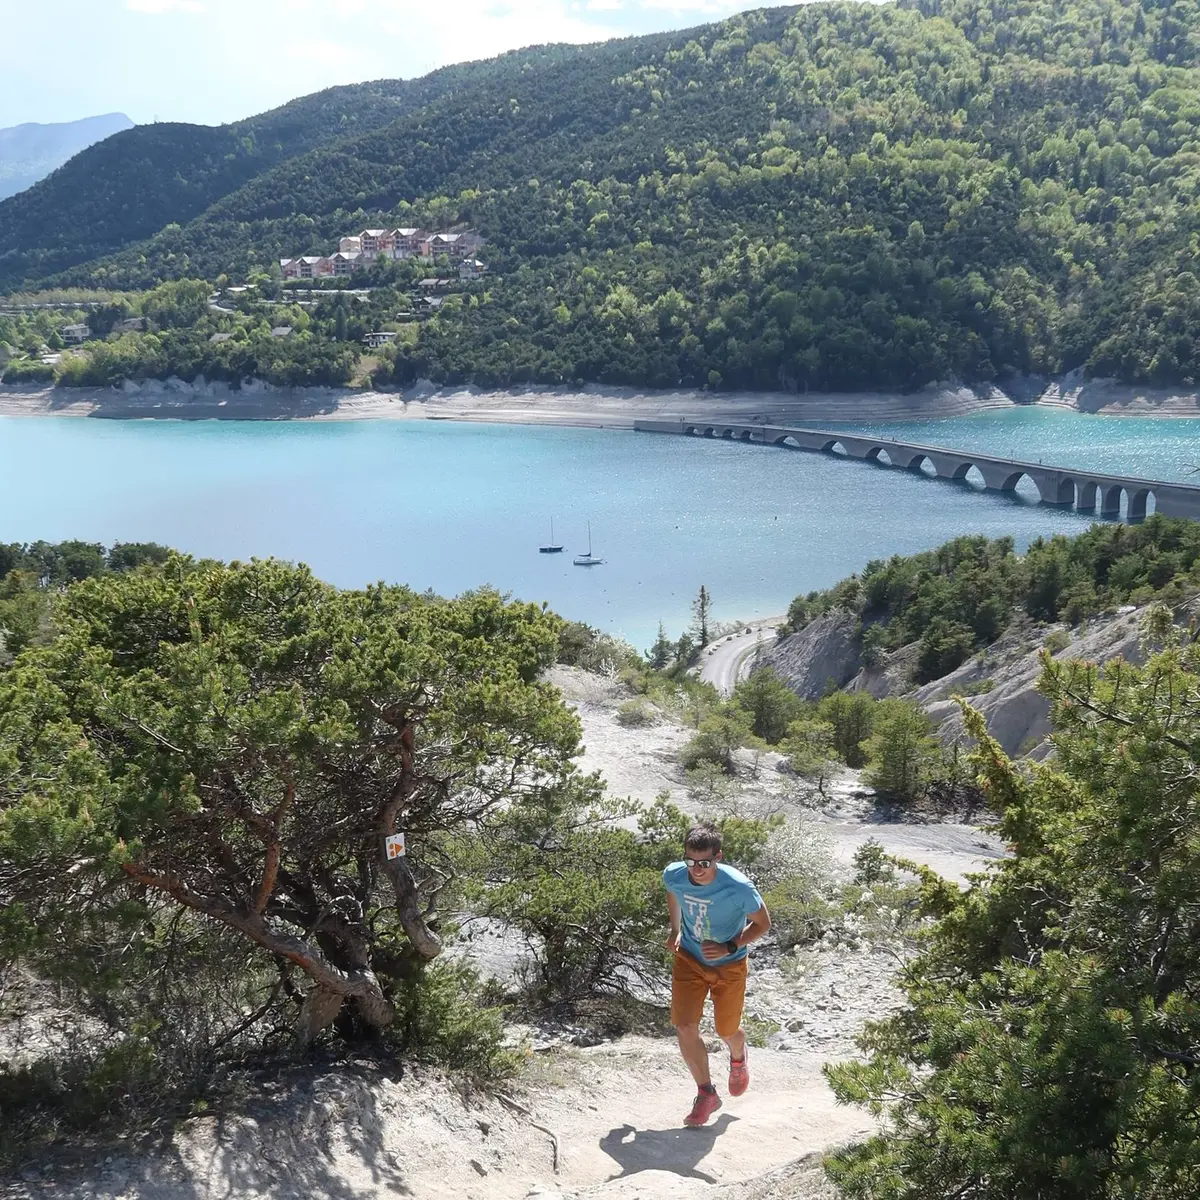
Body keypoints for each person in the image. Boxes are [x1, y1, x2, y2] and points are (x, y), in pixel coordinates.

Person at [663, 823, 772, 1127]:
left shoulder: (738, 887)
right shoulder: (674, 874)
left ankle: (738, 1056)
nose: (696, 870)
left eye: (705, 863)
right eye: (691, 862)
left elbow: (763, 923)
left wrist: (729, 945)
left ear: (718, 857)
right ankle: (706, 1092)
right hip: (689, 958)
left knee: (727, 1031)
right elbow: (673, 893)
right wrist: (675, 929)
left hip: (729, 964)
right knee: (684, 1027)